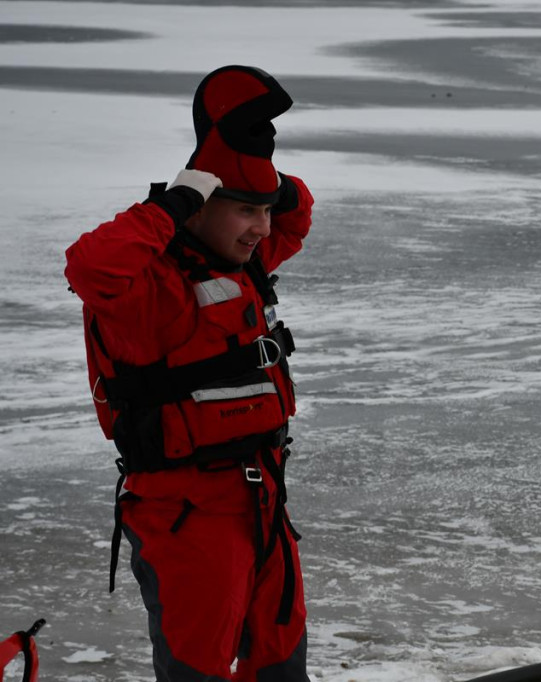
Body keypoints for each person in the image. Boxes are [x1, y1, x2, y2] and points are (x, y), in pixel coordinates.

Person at [65, 65, 314, 680]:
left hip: (264, 503)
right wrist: (168, 206)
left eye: (264, 211)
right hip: (188, 518)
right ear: (198, 209)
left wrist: (265, 175)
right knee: (198, 672)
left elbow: (296, 213)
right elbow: (91, 267)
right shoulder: (150, 290)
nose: (263, 228)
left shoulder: (240, 259)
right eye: (245, 212)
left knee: (283, 667)